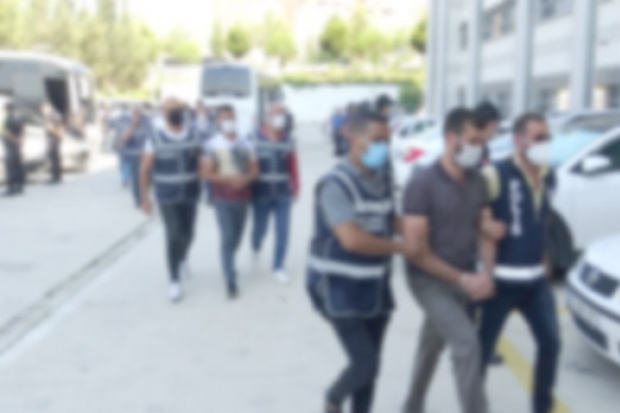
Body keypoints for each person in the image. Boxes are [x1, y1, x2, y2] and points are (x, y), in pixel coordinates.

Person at [307, 111, 411, 413]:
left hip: (375, 287)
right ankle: (333, 397)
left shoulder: (382, 177)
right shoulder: (335, 184)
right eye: (376, 140)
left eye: (387, 141)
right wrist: (403, 249)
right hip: (338, 289)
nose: (383, 148)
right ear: (353, 139)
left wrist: (419, 233)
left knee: (371, 367)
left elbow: (390, 218)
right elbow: (351, 240)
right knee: (365, 363)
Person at [401, 108, 496, 413]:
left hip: (462, 274)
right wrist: (463, 279)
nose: (478, 149)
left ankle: (412, 405)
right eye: (472, 141)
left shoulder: (477, 181)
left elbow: (484, 230)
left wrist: (487, 274)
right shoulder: (422, 182)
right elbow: (417, 250)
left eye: (481, 142)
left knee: (432, 343)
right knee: (466, 344)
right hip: (427, 279)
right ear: (450, 138)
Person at [479, 113, 560, 413]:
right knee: (481, 351)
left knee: (551, 343)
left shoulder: (549, 174)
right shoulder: (495, 173)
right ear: (518, 140)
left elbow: (543, 217)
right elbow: (475, 217)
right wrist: (483, 226)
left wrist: (545, 253)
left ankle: (542, 407)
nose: (545, 143)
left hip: (535, 281)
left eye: (547, 137)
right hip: (500, 282)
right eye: (538, 137)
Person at [139, 98, 202, 303]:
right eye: (171, 109)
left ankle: (183, 258)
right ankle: (174, 281)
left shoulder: (194, 135)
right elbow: (145, 169)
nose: (176, 112)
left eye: (179, 109)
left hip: (190, 194)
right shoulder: (155, 139)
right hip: (167, 196)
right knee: (173, 234)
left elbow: (202, 162)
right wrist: (145, 197)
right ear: (164, 113)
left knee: (189, 233)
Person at [200, 105, 259, 299]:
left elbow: (255, 170)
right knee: (227, 237)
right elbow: (205, 173)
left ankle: (229, 262)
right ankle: (230, 279)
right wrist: (227, 179)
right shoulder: (212, 145)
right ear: (218, 121)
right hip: (222, 198)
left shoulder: (246, 143)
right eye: (224, 117)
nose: (229, 121)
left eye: (231, 117)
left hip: (242, 198)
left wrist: (246, 179)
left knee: (237, 237)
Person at [251, 103, 300, 283]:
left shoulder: (288, 138)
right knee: (260, 228)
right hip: (260, 193)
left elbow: (293, 164)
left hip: (282, 193)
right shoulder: (254, 138)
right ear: (268, 116)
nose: (280, 117)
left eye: (283, 114)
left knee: (282, 230)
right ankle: (255, 243)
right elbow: (248, 164)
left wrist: (296, 186)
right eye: (277, 113)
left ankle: (278, 266)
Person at [120, 105, 152, 207]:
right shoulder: (126, 123)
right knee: (136, 179)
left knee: (147, 178)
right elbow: (123, 140)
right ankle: (138, 200)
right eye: (135, 113)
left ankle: (145, 197)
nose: (138, 116)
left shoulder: (147, 122)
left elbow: (152, 136)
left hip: (147, 155)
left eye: (139, 113)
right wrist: (132, 127)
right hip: (134, 157)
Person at [2, 101, 26, 195]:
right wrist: (21, 140)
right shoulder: (19, 118)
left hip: (10, 145)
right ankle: (20, 186)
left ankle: (11, 188)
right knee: (18, 165)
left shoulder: (7, 119)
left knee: (10, 167)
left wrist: (15, 140)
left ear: (7, 109)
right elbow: (23, 130)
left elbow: (6, 133)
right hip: (18, 146)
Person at [41, 103, 64, 184]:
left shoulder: (48, 115)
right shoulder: (56, 114)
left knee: (53, 159)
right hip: (56, 139)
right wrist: (60, 134)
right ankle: (58, 176)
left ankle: (55, 177)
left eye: (42, 109)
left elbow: (49, 127)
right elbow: (60, 125)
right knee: (57, 158)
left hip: (52, 139)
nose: (42, 111)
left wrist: (56, 133)